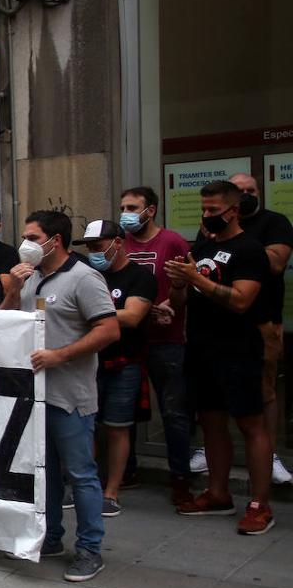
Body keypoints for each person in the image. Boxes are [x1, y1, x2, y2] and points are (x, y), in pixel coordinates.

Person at [2, 210, 119, 581]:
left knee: (81, 475)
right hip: (35, 397)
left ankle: (89, 549)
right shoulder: (31, 278)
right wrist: (12, 290)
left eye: (33, 238)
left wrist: (60, 356)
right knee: (45, 472)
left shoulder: (84, 278)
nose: (26, 244)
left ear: (55, 241)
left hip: (70, 396)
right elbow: (4, 323)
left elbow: (109, 329)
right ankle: (50, 537)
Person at [166, 181, 274, 533]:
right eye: (204, 209)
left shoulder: (250, 249)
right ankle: (218, 494)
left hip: (239, 349)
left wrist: (196, 279)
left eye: (213, 210)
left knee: (250, 424)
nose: (207, 215)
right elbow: (182, 301)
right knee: (211, 422)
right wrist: (179, 285)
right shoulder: (203, 247)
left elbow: (241, 300)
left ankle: (260, 505)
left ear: (234, 210)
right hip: (201, 347)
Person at [75, 220, 156, 517]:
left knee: (117, 428)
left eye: (98, 246)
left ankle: (111, 492)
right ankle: (86, 486)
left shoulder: (139, 276)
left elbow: (133, 316)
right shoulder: (87, 275)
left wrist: (86, 312)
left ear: (118, 243)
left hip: (124, 363)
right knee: (86, 426)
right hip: (88, 360)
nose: (94, 253)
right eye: (90, 248)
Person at [120, 186, 194, 503]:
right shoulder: (120, 244)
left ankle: (180, 479)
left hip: (167, 341)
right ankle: (126, 472)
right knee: (123, 410)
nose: (125, 214)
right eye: (123, 207)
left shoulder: (172, 241)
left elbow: (187, 284)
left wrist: (170, 303)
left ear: (150, 210)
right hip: (129, 341)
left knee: (174, 412)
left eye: (132, 208)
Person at [229, 173, 293, 485]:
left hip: (263, 321)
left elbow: (277, 263)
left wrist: (234, 238)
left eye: (250, 190)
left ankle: (271, 455)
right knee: (219, 392)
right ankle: (213, 450)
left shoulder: (274, 222)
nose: (245, 195)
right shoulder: (215, 225)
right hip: (223, 322)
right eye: (239, 191)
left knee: (265, 391)